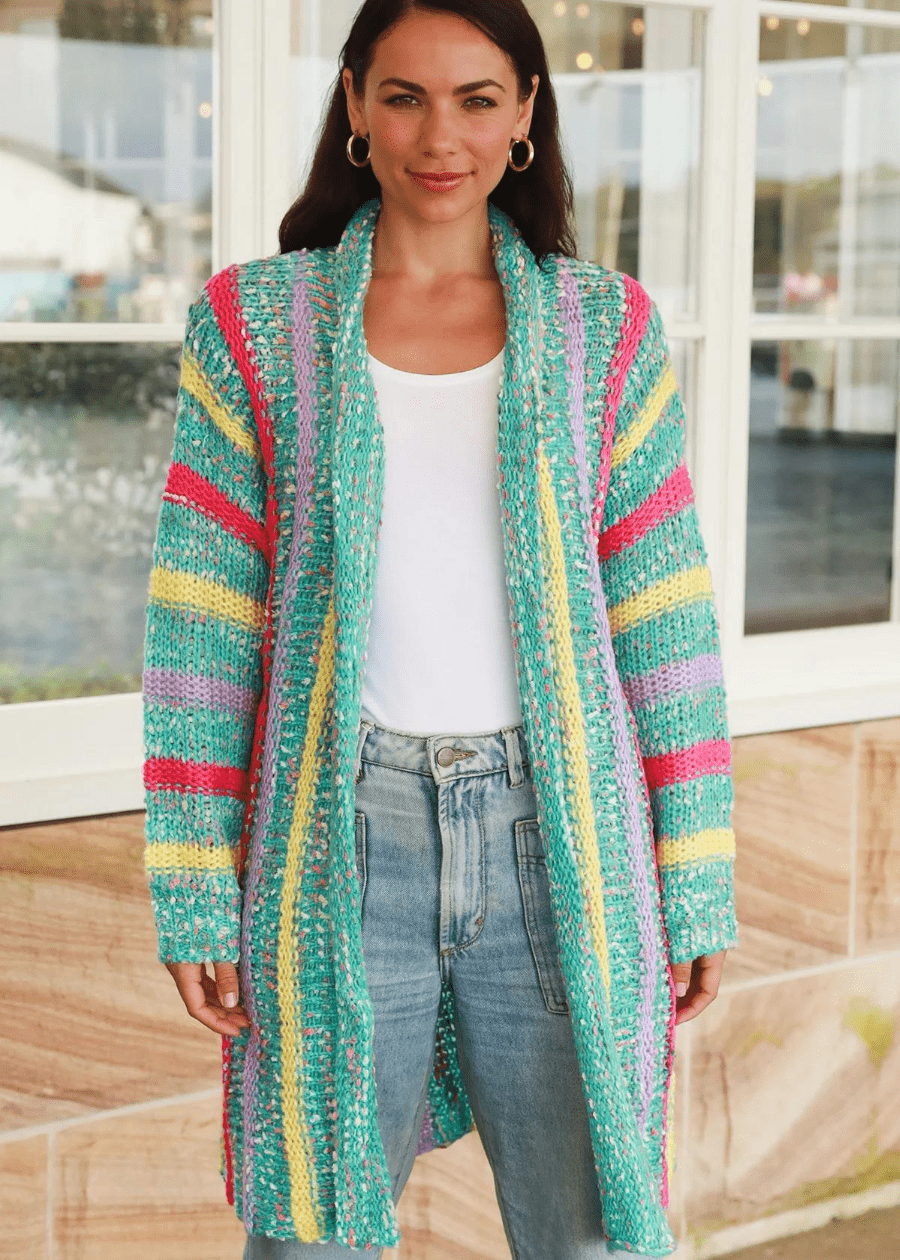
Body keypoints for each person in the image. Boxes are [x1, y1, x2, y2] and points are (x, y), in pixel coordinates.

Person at [141, 2, 739, 1258]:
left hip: (563, 836)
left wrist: (695, 875)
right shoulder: (257, 326)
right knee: (316, 1234)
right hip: (339, 836)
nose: (439, 134)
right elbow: (203, 635)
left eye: (477, 99)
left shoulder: (604, 329)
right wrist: (195, 881)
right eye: (404, 95)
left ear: (526, 114)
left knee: (598, 1234)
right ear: (355, 102)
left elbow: (665, 626)